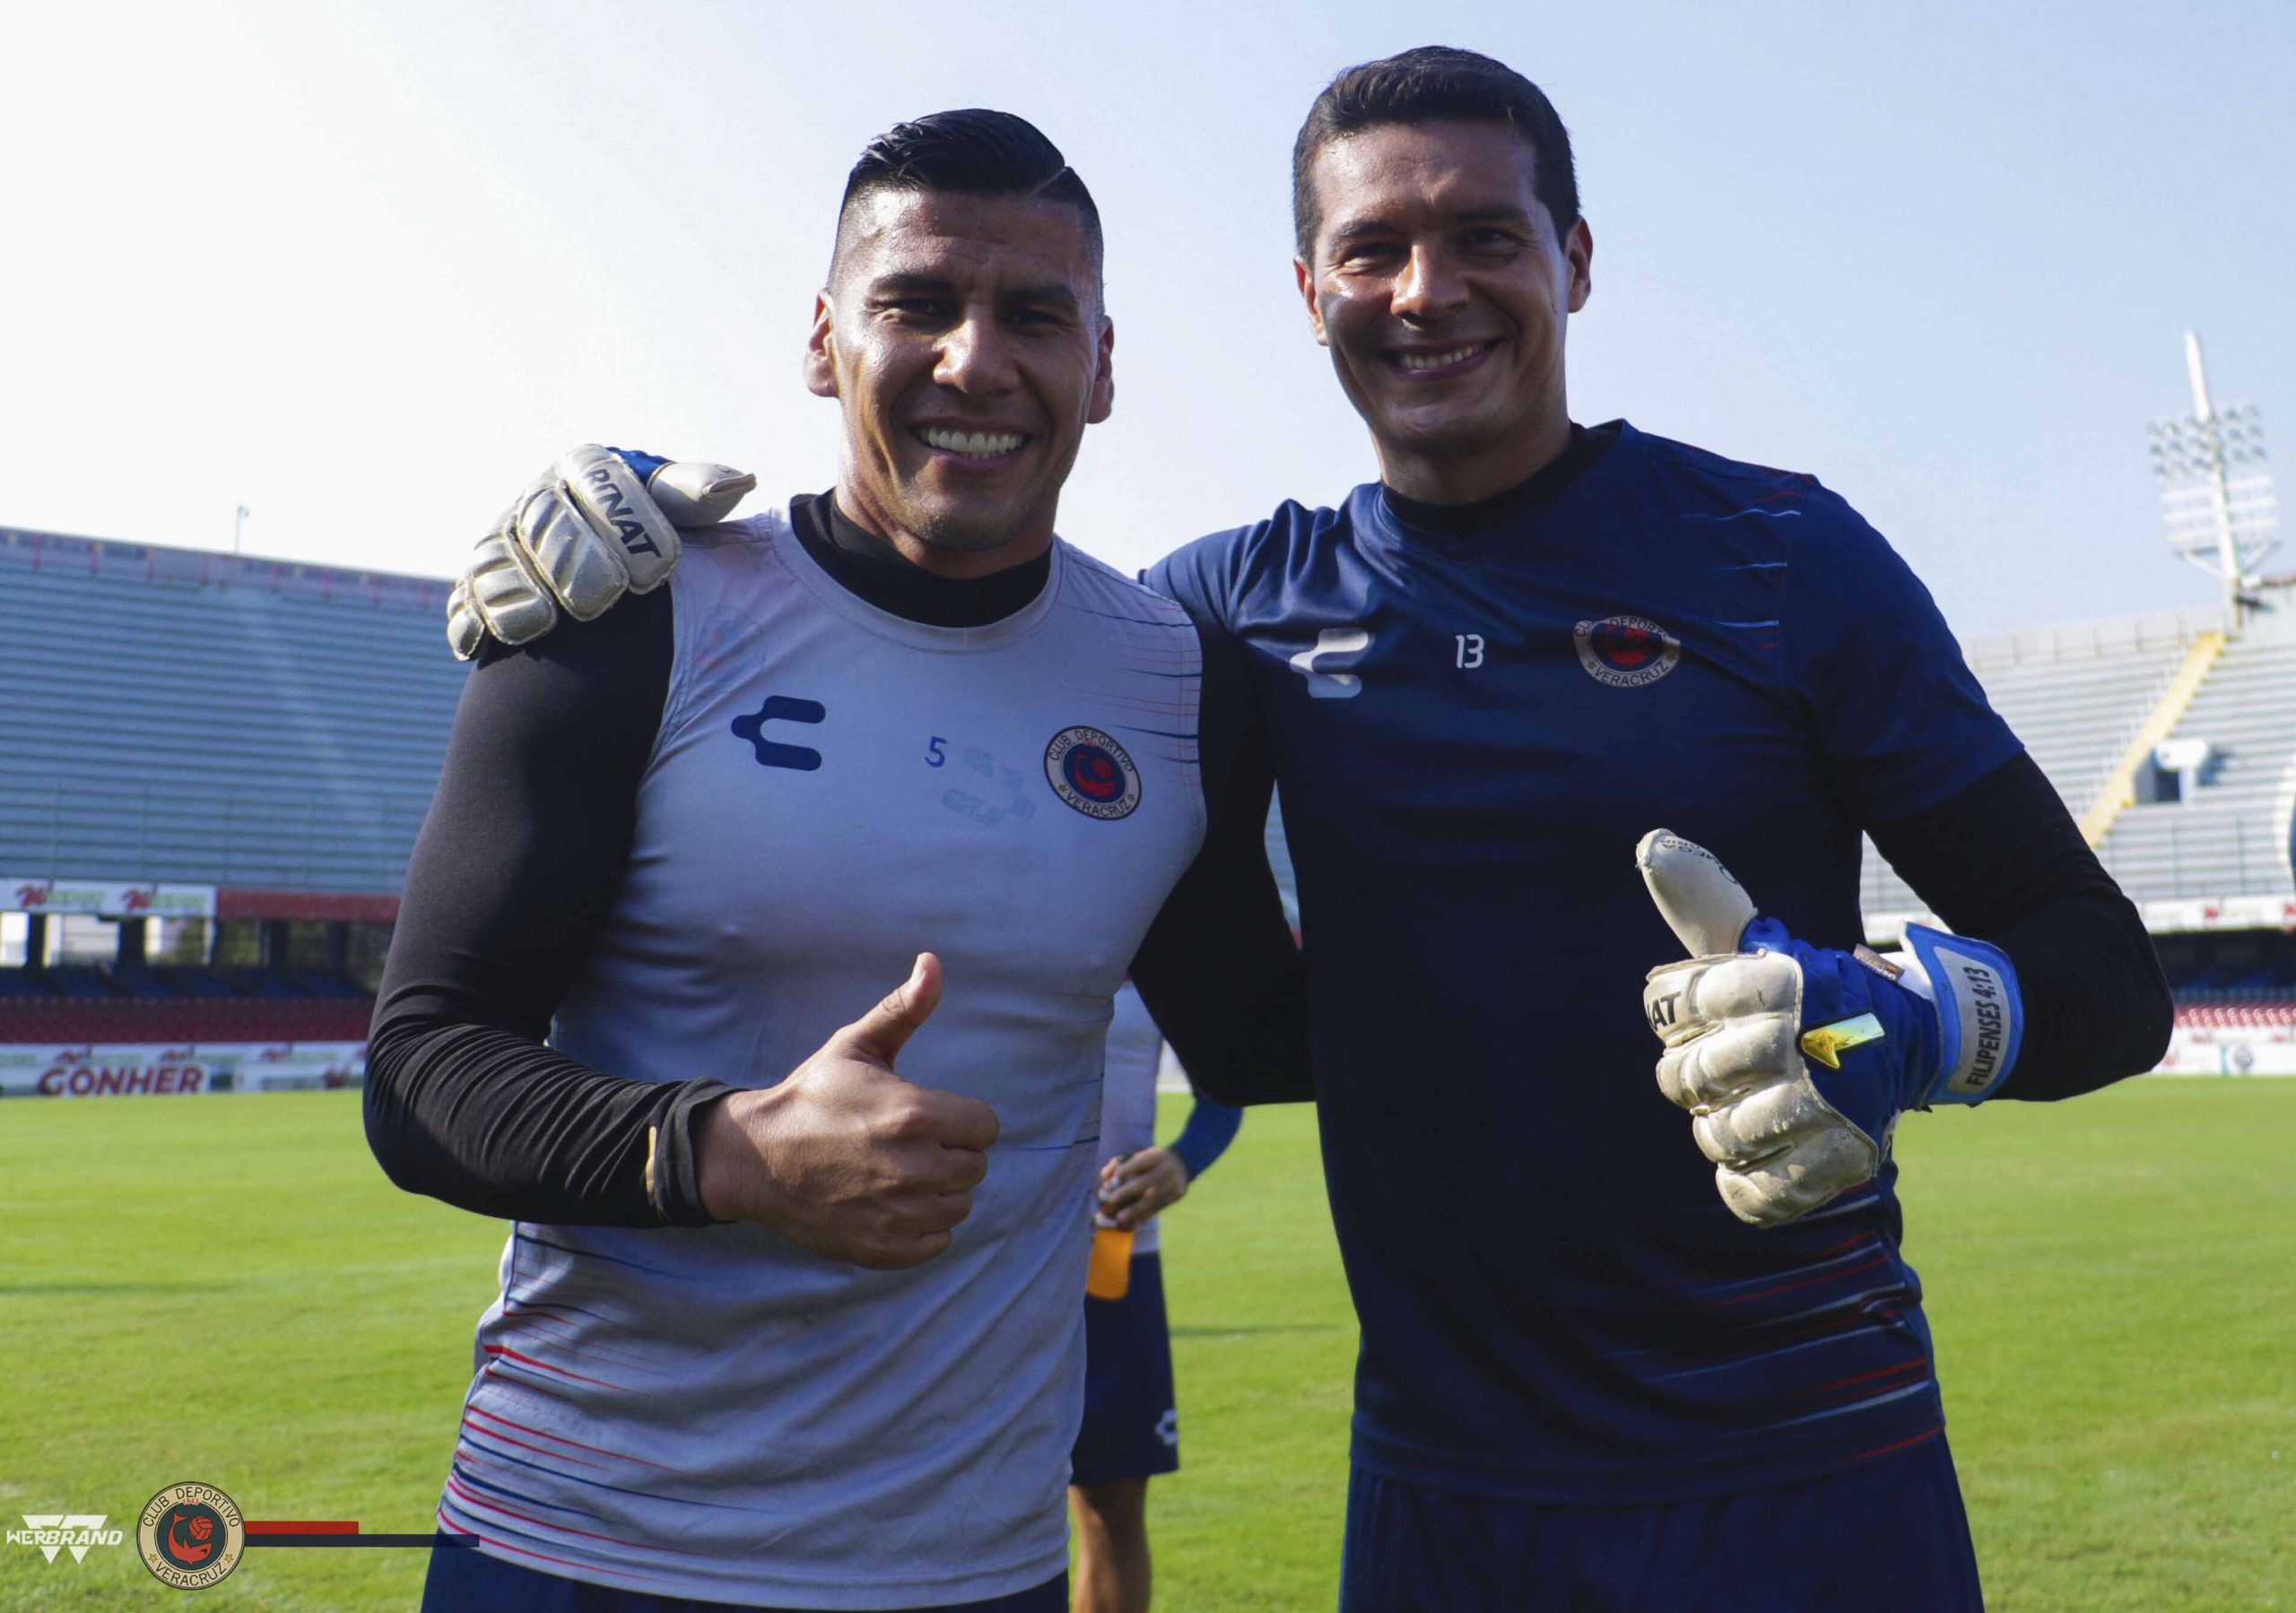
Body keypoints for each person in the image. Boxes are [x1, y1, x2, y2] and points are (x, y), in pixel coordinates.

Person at [441, 48, 2172, 1611]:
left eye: (1486, 237)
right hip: (1439, 1486)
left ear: (1575, 261)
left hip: (1810, 1451)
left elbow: (2107, 974)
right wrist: (585, 509)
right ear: (1307, 291)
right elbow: (1240, 997)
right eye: (1372, 252)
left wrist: (1915, 1021)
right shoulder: (1215, 629)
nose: (1428, 291)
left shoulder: (1785, 558)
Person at [368, 108, 1306, 1612]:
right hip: (582, 1543)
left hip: (976, 1570)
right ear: (824, 340)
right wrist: (726, 1148)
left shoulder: (1180, 681)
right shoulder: (636, 611)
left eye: (1035, 314)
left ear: (1106, 365)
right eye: (916, 303)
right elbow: (422, 1068)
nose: (975, 359)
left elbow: (1276, 1033)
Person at [1070, 983, 1240, 1613]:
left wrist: (1182, 1158)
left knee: (1109, 1507)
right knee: (967, 1503)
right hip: (987, 1258)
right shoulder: (987, 921)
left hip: (1114, 1258)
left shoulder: (1160, 946)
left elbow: (1224, 1091)